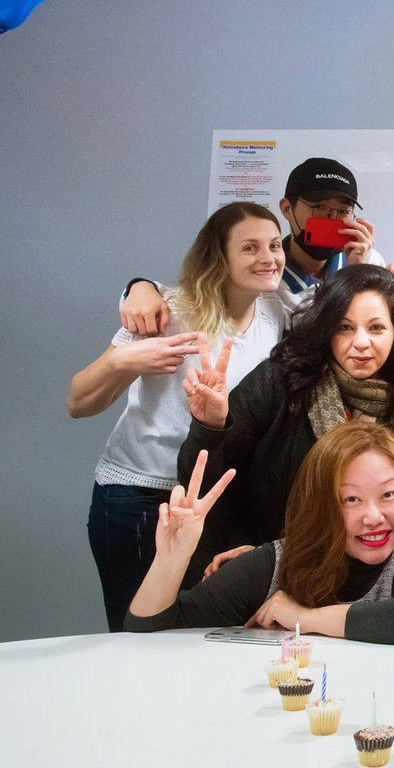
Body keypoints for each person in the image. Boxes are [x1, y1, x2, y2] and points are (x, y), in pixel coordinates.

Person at [68, 202, 288, 631]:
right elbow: (79, 402)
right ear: (219, 256)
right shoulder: (168, 310)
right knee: (138, 633)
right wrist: (127, 359)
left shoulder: (277, 314)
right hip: (140, 497)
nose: (269, 257)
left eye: (275, 245)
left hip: (209, 505)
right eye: (250, 247)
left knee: (193, 636)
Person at [178, 264, 394, 584]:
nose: (361, 342)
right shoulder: (281, 380)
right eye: (344, 327)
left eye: (376, 328)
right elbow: (206, 483)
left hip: (360, 580)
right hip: (258, 564)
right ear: (325, 329)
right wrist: (211, 426)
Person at [126, 422, 394, 643]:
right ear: (320, 504)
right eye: (351, 499)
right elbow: (150, 638)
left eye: (388, 495)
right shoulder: (274, 563)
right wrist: (171, 560)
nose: (373, 517)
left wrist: (306, 618)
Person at [119, 158, 383, 333]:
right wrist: (141, 287)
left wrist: (357, 273)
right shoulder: (263, 272)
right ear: (287, 209)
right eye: (319, 208)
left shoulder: (367, 261)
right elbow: (199, 292)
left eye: (343, 210)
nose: (332, 218)